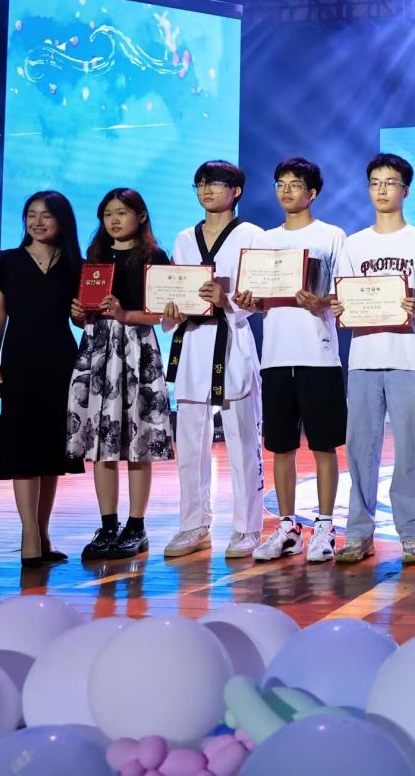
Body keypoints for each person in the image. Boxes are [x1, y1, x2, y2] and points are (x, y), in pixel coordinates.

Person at [236, 157, 350, 564]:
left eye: (295, 184)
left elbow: (345, 293)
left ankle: (325, 526)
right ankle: (287, 527)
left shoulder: (332, 236)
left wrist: (321, 302)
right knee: (280, 447)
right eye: (280, 183)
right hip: (275, 356)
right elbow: (253, 298)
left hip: (319, 354)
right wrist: (249, 302)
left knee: (323, 446)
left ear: (312, 193)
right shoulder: (264, 241)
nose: (286, 191)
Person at [333, 153, 415, 566]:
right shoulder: (353, 244)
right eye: (375, 183)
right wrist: (340, 307)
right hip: (363, 357)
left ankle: (412, 534)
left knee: (411, 450)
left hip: (409, 358)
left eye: (390, 182)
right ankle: (358, 533)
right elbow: (342, 297)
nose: (382, 190)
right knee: (360, 450)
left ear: (405, 190)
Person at [161, 161, 265, 559]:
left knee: (242, 440)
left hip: (233, 341)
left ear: (235, 191)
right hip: (192, 342)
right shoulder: (184, 237)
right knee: (189, 442)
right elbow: (174, 288)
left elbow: (260, 296)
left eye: (216, 183)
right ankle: (193, 524)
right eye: (201, 184)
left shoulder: (252, 235)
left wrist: (228, 300)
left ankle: (247, 527)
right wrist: (169, 309)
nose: (206, 190)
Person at [68, 188, 175, 560]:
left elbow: (162, 313)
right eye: (108, 214)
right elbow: (83, 313)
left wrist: (125, 314)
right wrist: (78, 314)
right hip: (98, 349)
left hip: (137, 348)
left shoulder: (155, 258)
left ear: (141, 216)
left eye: (122, 212)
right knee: (101, 443)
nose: (114, 220)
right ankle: (107, 525)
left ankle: (136, 526)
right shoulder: (95, 257)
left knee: (138, 442)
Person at [0, 191, 83, 566]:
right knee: (23, 445)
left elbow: (80, 319)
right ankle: (29, 534)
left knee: (50, 449)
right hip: (20, 359)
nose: (37, 222)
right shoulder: (4, 262)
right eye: (31, 214)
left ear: (62, 221)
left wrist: (83, 315)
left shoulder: (75, 265)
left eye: (46, 215)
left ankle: (43, 533)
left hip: (61, 360)